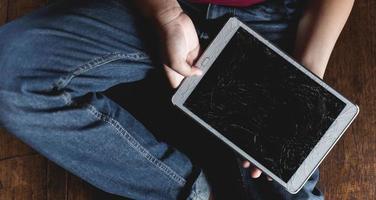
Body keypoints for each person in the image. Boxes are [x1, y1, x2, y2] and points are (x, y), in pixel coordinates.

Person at [0, 0, 354, 199]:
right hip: (157, 9)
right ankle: (195, 193)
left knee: (285, 177)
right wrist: (165, 15)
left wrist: (304, 83)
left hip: (274, 17)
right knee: (10, 74)